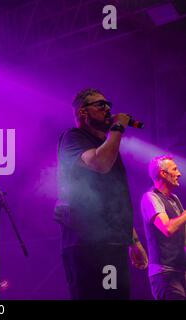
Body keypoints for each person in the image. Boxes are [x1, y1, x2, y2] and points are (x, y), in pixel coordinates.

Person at [55, 88, 148, 299]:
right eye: (100, 105)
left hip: (112, 245)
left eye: (109, 105)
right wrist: (117, 127)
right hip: (88, 246)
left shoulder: (107, 146)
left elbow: (114, 202)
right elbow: (100, 163)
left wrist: (134, 242)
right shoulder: (73, 138)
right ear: (83, 113)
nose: (108, 109)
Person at [140, 155, 186, 300]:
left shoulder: (175, 199)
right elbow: (168, 229)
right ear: (163, 173)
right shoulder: (150, 197)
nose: (179, 173)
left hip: (180, 272)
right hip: (164, 274)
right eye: (175, 169)